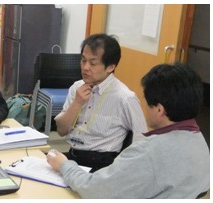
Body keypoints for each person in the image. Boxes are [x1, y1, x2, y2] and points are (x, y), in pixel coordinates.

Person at [47, 63, 210, 198]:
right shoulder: (200, 142)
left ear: (159, 110)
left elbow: (95, 190)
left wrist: (64, 165)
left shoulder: (147, 152)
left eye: (147, 103)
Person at [55, 33, 147, 172]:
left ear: (110, 67)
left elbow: (141, 142)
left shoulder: (125, 98)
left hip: (103, 167)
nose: (85, 67)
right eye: (83, 60)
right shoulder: (76, 87)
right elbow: (61, 130)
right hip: (73, 157)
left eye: (93, 63)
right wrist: (77, 103)